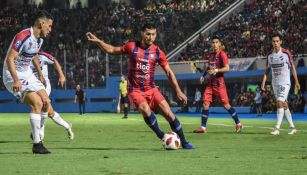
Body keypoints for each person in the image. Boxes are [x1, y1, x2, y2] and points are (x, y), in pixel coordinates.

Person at [87, 23, 195, 149]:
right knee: (145, 109)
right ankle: (162, 136)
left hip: (151, 89)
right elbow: (111, 50)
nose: (151, 37)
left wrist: (178, 91)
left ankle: (184, 142)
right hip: (135, 90)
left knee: (169, 114)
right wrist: (98, 41)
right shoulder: (132, 46)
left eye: (153, 34)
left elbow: (169, 72)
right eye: (148, 34)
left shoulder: (158, 52)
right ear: (142, 34)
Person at [2, 10, 53, 154]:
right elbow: (10, 59)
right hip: (12, 74)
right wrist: (16, 80)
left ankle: (37, 132)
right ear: (41, 24)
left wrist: (40, 75)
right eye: (49, 26)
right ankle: (37, 144)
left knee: (46, 102)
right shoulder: (23, 36)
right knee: (37, 102)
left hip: (27, 73)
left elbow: (34, 55)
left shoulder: (39, 40)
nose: (50, 29)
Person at [193, 36, 243, 134]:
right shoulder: (211, 55)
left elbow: (227, 68)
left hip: (219, 83)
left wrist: (216, 70)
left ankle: (238, 123)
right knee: (205, 103)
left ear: (219, 44)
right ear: (211, 44)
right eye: (213, 42)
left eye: (216, 42)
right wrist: (203, 75)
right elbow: (208, 67)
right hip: (210, 83)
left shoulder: (222, 54)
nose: (215, 44)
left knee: (226, 105)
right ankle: (203, 127)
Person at [261, 33, 300, 135]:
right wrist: (263, 82)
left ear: (280, 42)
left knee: (279, 102)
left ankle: (277, 128)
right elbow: (267, 71)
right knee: (284, 104)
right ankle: (293, 127)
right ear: (272, 42)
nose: (275, 43)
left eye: (277, 41)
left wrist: (296, 81)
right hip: (275, 83)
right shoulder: (270, 55)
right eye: (274, 41)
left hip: (285, 82)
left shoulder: (286, 53)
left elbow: (293, 68)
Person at [31, 51, 74, 140]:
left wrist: (61, 75)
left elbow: (55, 61)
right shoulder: (24, 57)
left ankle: (40, 133)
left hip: (44, 85)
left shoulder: (42, 55)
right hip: (32, 85)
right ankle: (67, 126)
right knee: (50, 112)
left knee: (42, 104)